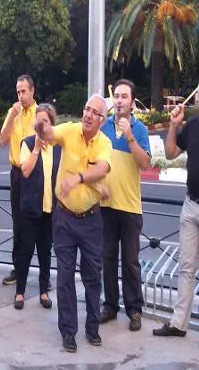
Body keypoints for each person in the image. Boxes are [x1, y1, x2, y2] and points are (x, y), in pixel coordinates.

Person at [35, 94, 112, 353]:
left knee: (93, 276)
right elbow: (48, 135)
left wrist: (79, 177)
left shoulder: (104, 143)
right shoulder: (70, 130)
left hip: (91, 220)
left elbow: (102, 169)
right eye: (86, 109)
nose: (88, 115)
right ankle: (68, 332)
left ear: (102, 119)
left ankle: (93, 328)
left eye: (94, 112)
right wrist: (41, 129)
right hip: (64, 218)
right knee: (65, 276)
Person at [100, 79, 151, 332]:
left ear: (132, 102)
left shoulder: (139, 130)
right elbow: (94, 160)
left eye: (124, 97)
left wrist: (130, 137)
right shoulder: (104, 127)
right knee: (107, 258)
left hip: (130, 207)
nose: (119, 101)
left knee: (130, 262)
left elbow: (145, 163)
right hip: (106, 207)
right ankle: (110, 305)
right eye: (116, 96)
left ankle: (134, 310)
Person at [153, 104, 199, 338]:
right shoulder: (193, 126)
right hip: (191, 205)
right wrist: (173, 125)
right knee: (186, 268)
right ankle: (179, 323)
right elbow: (170, 153)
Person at [14, 104, 60, 310]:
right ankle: (20, 292)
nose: (42, 125)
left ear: (52, 124)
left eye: (46, 121)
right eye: (39, 120)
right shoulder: (28, 143)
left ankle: (43, 291)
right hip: (31, 208)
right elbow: (25, 171)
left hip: (51, 209)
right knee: (25, 251)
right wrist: (36, 149)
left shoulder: (58, 145)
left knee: (45, 251)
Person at [0, 74, 38, 286]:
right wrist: (11, 115)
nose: (21, 95)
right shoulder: (13, 113)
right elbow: (3, 140)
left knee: (38, 222)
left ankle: (43, 274)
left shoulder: (40, 114)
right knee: (18, 222)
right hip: (16, 172)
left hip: (35, 172)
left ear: (32, 91)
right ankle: (18, 267)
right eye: (18, 92)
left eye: (24, 91)